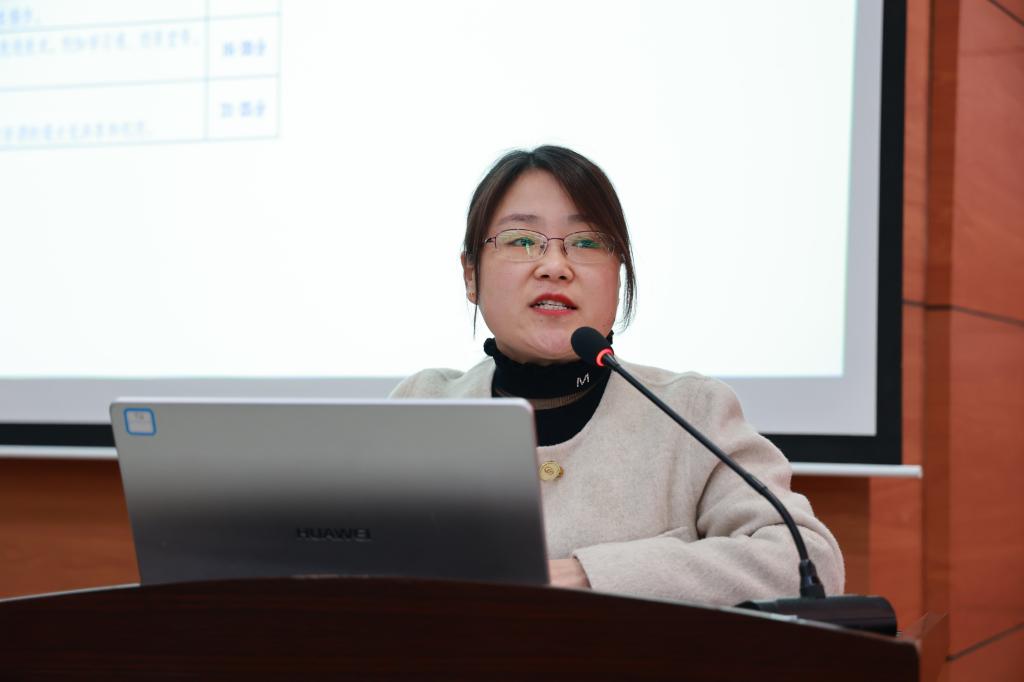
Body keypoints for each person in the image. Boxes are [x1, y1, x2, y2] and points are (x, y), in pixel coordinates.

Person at [390, 145, 844, 605]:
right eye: (522, 240)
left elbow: (808, 562)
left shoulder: (692, 413)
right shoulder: (421, 407)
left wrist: (589, 575)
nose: (555, 267)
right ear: (471, 274)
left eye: (587, 243)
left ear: (618, 274)